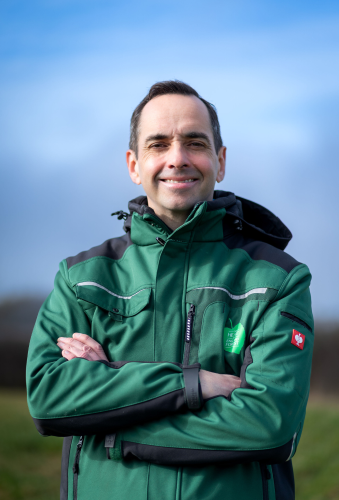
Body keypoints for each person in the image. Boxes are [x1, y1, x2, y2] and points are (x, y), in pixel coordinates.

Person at [26, 80, 314, 500]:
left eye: (194, 142)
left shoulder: (277, 281)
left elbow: (269, 426)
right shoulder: (82, 278)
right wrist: (195, 385)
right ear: (134, 163)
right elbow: (48, 396)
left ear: (220, 159)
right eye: (158, 144)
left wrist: (110, 422)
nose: (177, 159)